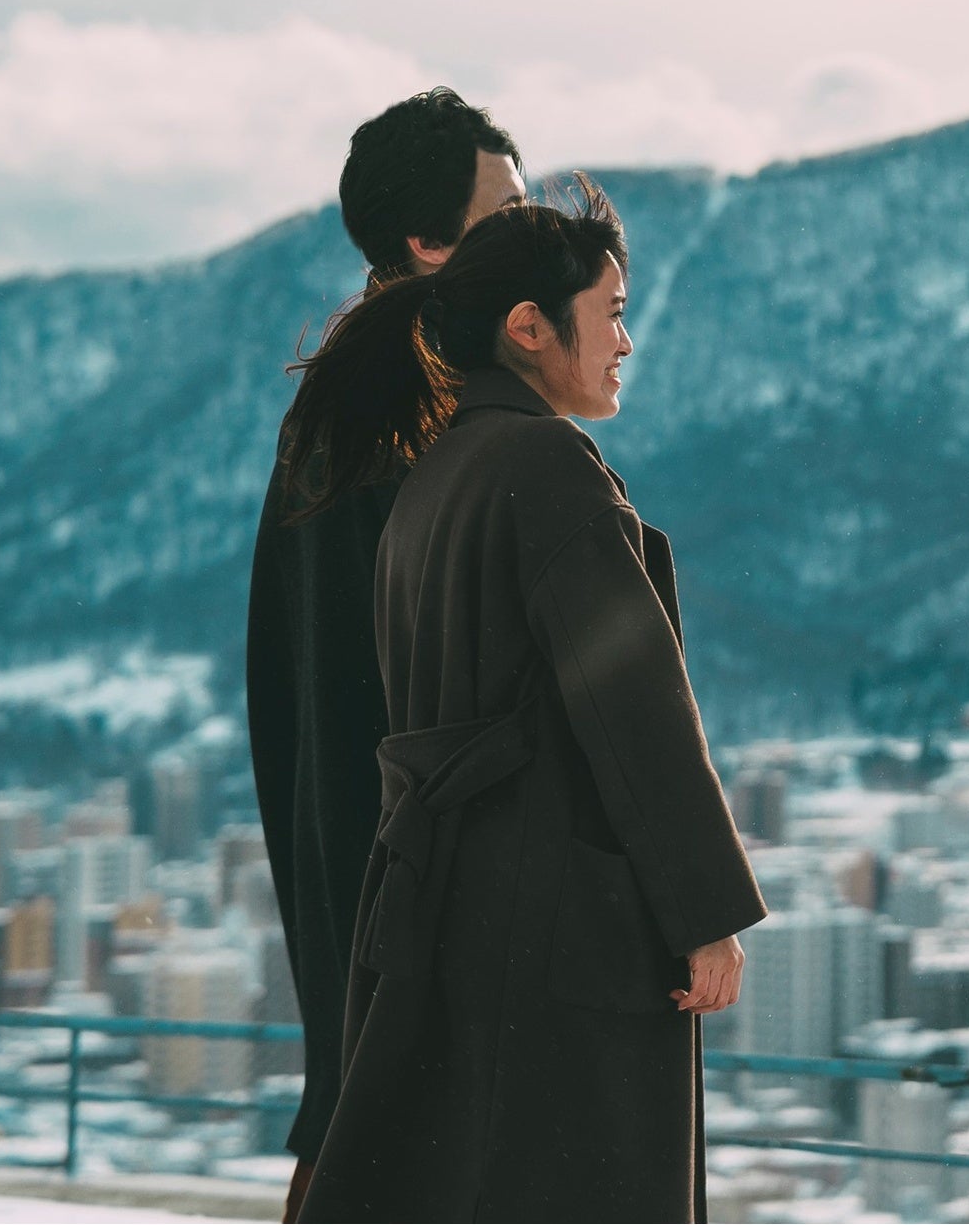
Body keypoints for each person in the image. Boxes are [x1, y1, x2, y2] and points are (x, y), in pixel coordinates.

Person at [288, 185, 764, 1223]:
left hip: (446, 903)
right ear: (530, 327)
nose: (626, 339)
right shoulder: (547, 463)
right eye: (614, 310)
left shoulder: (434, 476)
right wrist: (706, 912)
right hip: (556, 921)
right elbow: (632, 695)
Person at [246, 90, 524, 1218]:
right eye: (503, 207)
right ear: (428, 241)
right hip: (410, 855)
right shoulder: (412, 404)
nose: (526, 229)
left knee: (370, 1121)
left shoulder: (356, 386)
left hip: (356, 836)